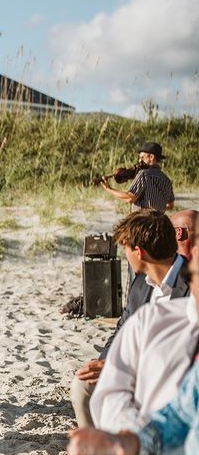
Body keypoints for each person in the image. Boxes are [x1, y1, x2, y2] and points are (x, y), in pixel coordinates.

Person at [67, 216, 199, 455]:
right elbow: (122, 328)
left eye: (125, 248)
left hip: (161, 374)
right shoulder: (140, 285)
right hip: (134, 372)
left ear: (138, 252)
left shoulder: (189, 289)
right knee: (81, 385)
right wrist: (106, 361)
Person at [101, 141, 174, 213]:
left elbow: (130, 198)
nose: (139, 160)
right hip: (160, 221)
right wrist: (156, 209)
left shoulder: (143, 174)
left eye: (142, 157)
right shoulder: (166, 179)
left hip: (142, 220)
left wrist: (109, 189)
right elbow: (170, 205)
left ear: (151, 157)